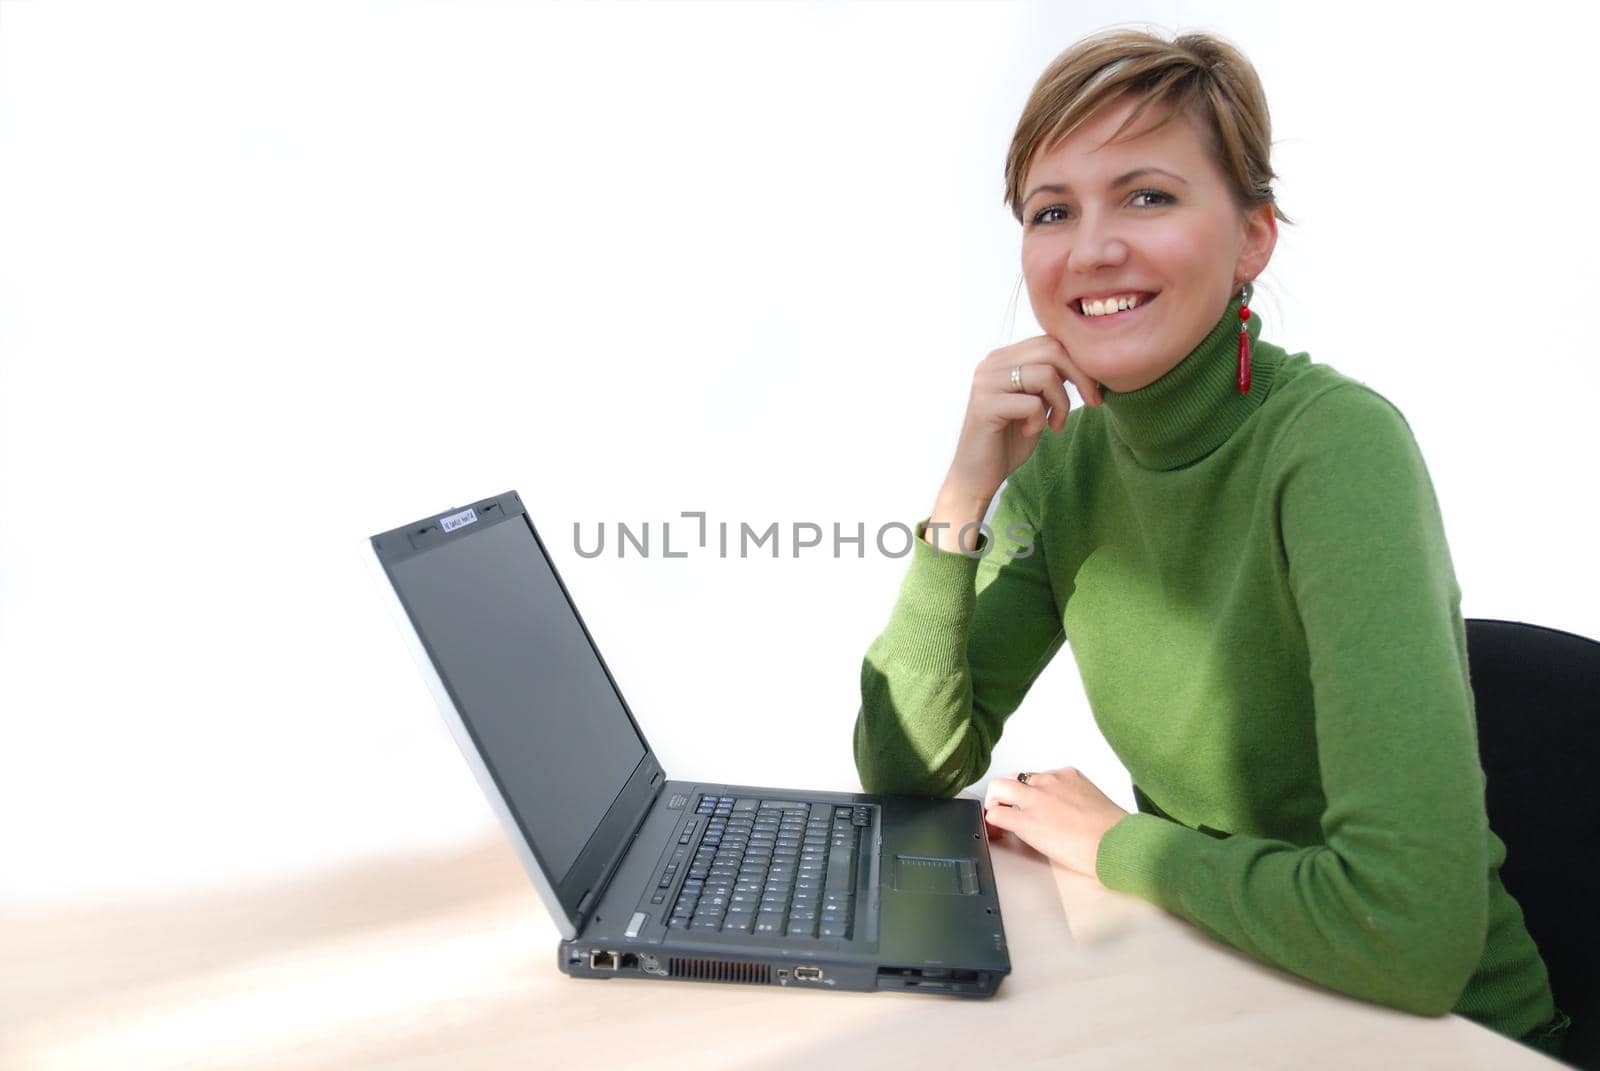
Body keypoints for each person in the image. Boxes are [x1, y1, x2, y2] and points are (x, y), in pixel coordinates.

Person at [851, 27, 1570, 1059]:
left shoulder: (1332, 448)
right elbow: (906, 773)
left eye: (1147, 196)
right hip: (1240, 990)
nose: (1093, 248)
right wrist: (964, 493)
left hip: (1446, 1037)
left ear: (1252, 239)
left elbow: (1407, 935)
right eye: (1053, 211)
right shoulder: (1065, 465)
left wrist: (1119, 846)